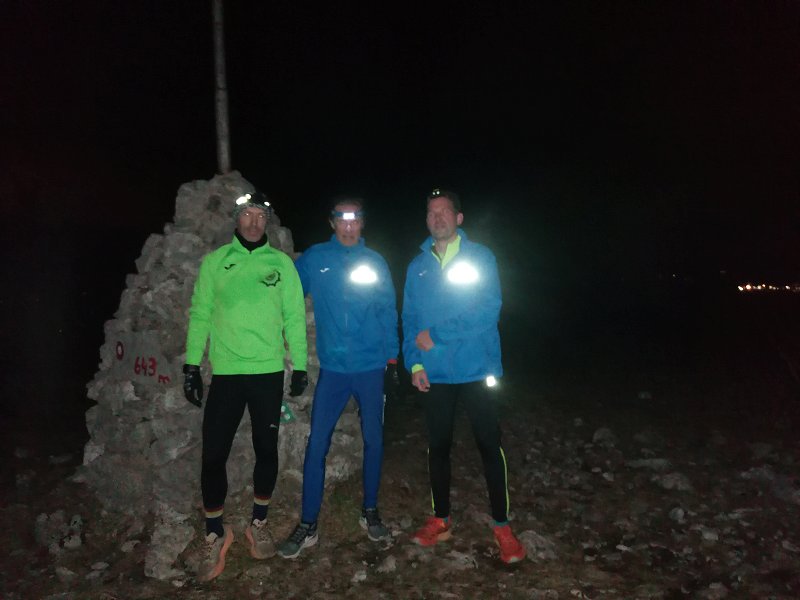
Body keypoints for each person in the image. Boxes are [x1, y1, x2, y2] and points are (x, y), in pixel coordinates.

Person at [182, 191, 309, 581]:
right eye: (247, 215)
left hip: (268, 374)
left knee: (266, 449)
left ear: (267, 222)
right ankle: (215, 531)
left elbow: (294, 316)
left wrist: (300, 366)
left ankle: (259, 521)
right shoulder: (216, 262)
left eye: (260, 216)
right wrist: (191, 366)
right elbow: (201, 313)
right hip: (227, 375)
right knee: (213, 454)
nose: (254, 223)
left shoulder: (282, 264)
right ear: (236, 219)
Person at [401, 188, 526, 564]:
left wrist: (437, 335)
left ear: (458, 218)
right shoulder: (417, 266)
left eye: (443, 212)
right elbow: (409, 319)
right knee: (438, 447)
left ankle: (502, 526)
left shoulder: (480, 257)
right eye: (431, 213)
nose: (436, 218)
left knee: (489, 445)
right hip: (435, 372)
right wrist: (414, 363)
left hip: (476, 368)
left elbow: (487, 310)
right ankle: (441, 519)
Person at [276, 197, 400, 559]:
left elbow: (387, 310)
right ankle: (308, 523)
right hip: (333, 370)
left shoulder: (375, 261)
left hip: (370, 367)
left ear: (362, 223)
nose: (349, 226)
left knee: (374, 440)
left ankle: (370, 510)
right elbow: (287, 292)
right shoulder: (316, 258)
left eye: (355, 220)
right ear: (332, 223)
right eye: (342, 220)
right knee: (317, 444)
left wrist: (393, 358)